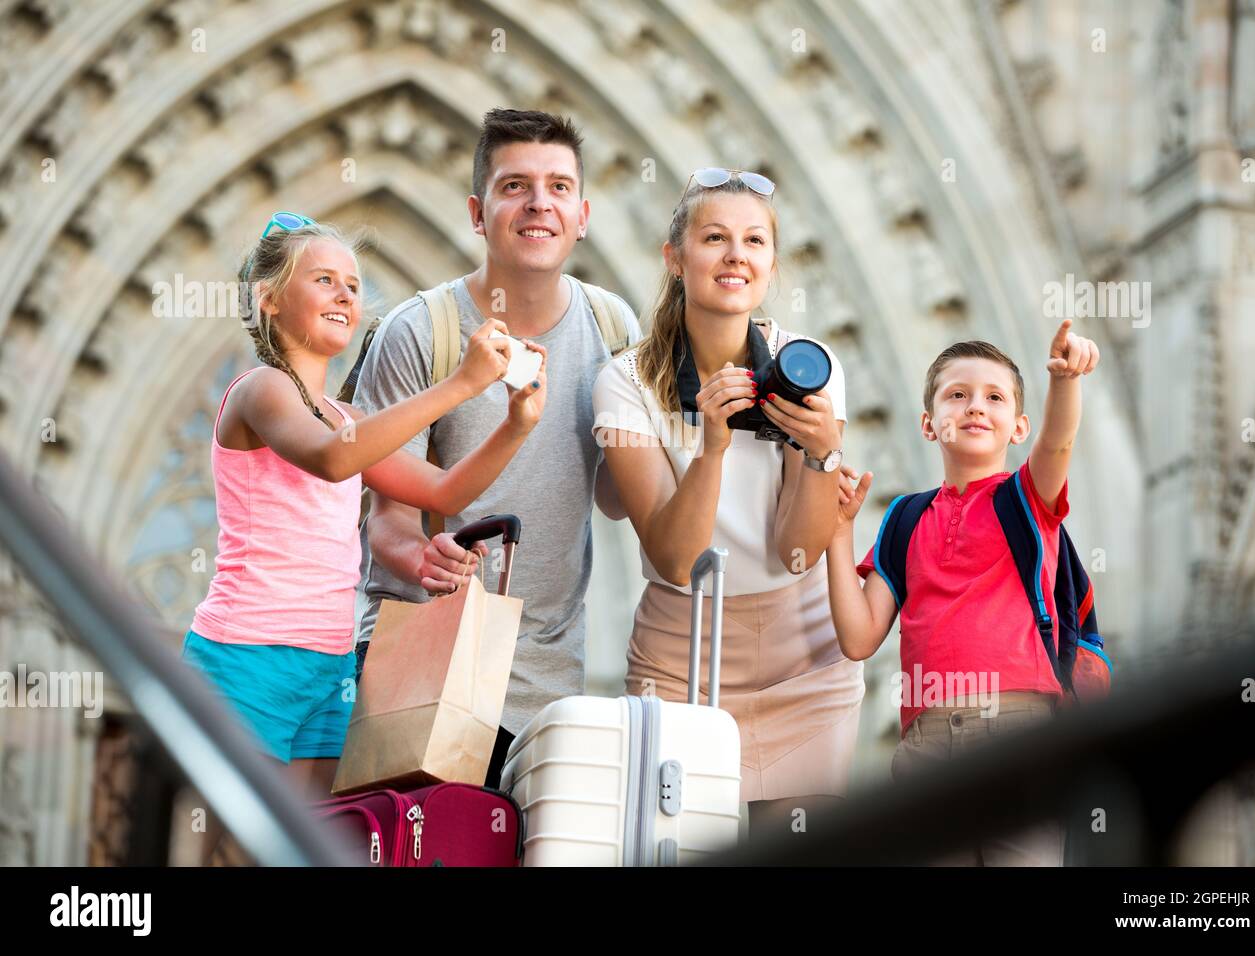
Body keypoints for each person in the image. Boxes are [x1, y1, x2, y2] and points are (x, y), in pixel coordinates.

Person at [183, 215, 545, 802]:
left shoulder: (348, 421)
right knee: (234, 845)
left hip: (328, 670)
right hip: (248, 657)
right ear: (269, 301)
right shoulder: (261, 389)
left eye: (352, 285)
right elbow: (330, 459)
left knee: (304, 848)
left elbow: (446, 492)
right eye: (323, 279)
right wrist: (459, 385)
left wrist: (515, 424)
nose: (345, 294)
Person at [352, 109, 640, 789]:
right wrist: (421, 556)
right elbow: (386, 522)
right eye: (516, 186)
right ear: (479, 214)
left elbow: (618, 500)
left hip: (548, 677)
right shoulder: (420, 331)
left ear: (583, 213)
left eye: (559, 187)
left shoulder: (613, 327)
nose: (540, 202)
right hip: (424, 661)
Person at [592, 169, 864, 842]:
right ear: (675, 257)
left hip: (805, 661)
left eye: (753, 241)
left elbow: (798, 552)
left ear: (771, 265)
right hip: (679, 656)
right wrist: (710, 448)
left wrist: (821, 455)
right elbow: (675, 557)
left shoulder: (810, 368)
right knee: (672, 848)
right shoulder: (626, 382)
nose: (735, 255)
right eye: (714, 238)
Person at [827, 324, 1100, 865]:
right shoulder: (903, 518)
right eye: (957, 395)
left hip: (1019, 731)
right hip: (926, 741)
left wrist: (1066, 381)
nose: (976, 407)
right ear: (929, 425)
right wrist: (838, 533)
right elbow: (859, 638)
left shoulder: (1026, 498)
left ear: (1018, 426)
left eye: (994, 398)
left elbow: (1059, 443)